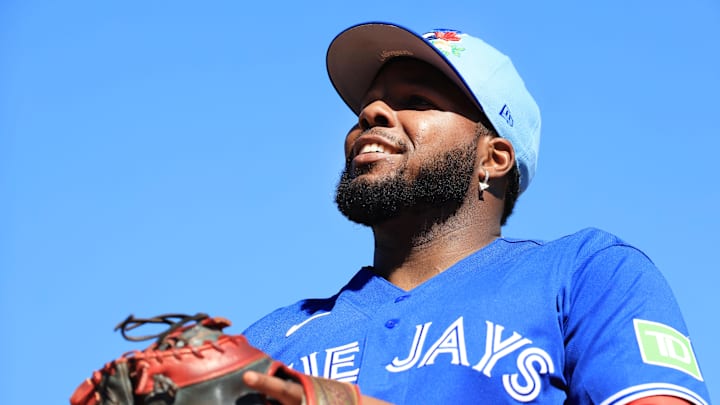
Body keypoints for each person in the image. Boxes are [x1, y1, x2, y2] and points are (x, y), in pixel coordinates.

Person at [240, 22, 710, 404]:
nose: (373, 113)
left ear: (494, 158)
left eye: (418, 101)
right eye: (367, 106)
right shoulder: (266, 342)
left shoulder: (587, 273)